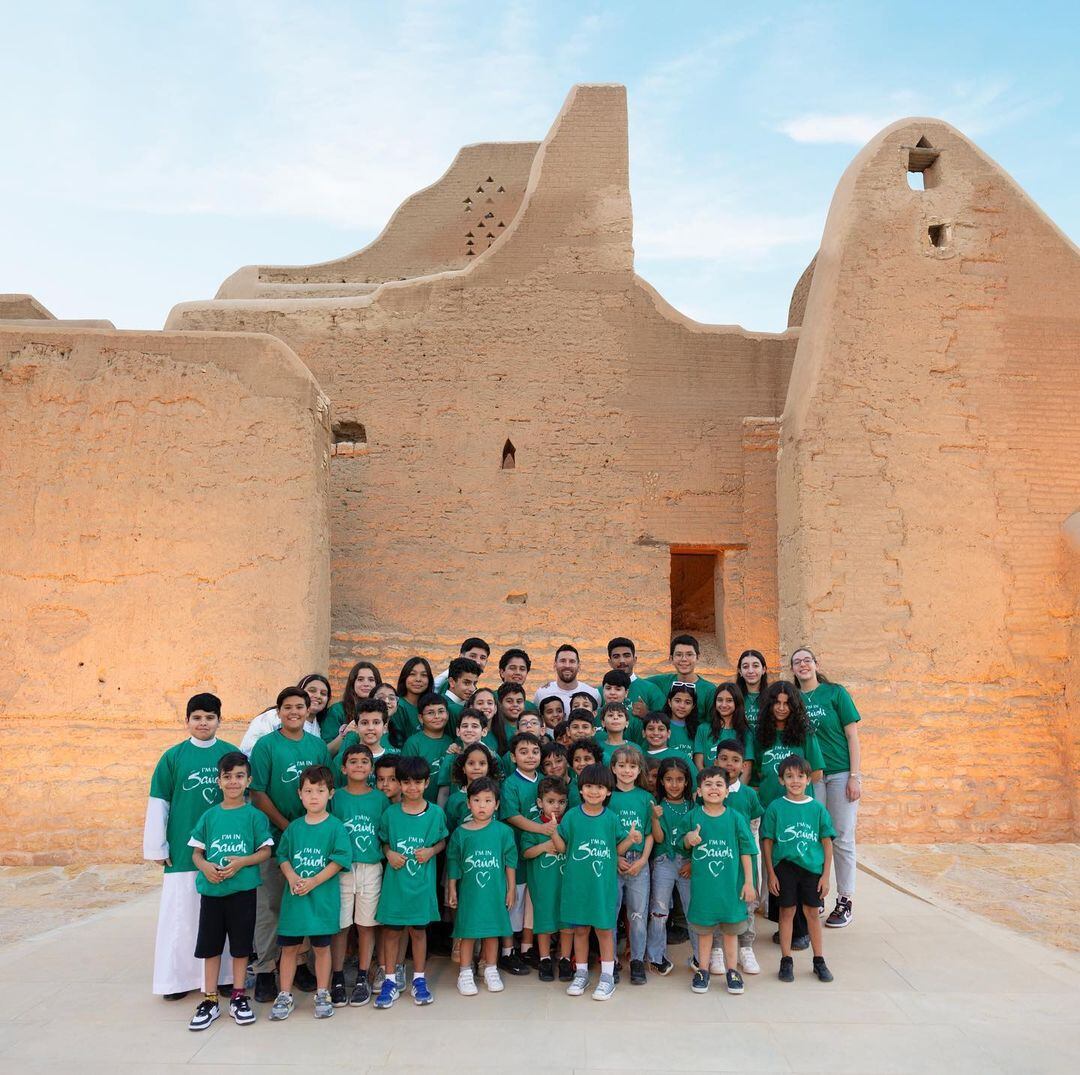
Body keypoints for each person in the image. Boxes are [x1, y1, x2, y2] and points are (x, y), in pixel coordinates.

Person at [144, 692, 240, 1001]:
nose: (203, 722)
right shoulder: (173, 757)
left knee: (222, 917)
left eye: (210, 717)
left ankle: (224, 977)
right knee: (182, 918)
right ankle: (177, 980)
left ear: (219, 721)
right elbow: (159, 803)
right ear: (187, 721)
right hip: (184, 851)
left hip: (225, 849)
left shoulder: (230, 753)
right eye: (197, 717)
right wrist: (157, 848)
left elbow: (243, 799)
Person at [248, 687, 333, 1002]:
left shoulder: (317, 747)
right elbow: (257, 793)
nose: (294, 712)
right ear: (278, 712)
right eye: (287, 707)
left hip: (312, 841)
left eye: (300, 706)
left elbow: (326, 790)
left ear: (308, 709)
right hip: (275, 838)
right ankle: (266, 969)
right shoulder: (266, 747)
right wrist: (288, 827)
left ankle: (302, 964)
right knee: (271, 905)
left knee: (306, 901)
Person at [186, 750, 273, 1030]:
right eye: (227, 777)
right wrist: (205, 867)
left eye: (239, 776)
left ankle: (238, 996)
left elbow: (265, 851)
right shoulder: (209, 816)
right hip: (212, 892)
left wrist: (242, 863)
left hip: (242, 890)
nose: (233, 782)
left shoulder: (254, 816)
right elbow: (196, 853)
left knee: (240, 946)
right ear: (219, 781)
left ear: (248, 780)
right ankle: (210, 998)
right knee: (211, 946)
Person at [551, 763, 641, 1001]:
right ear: (580, 789)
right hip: (577, 885)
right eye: (589, 786)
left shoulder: (611, 819)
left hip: (603, 887)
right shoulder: (571, 816)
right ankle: (581, 973)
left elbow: (615, 850)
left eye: (599, 787)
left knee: (604, 930)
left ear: (608, 791)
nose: (593, 791)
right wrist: (552, 832)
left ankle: (607, 977)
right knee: (580, 929)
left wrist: (630, 840)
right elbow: (562, 848)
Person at [269, 765, 351, 1021]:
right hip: (295, 901)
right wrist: (293, 877)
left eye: (320, 790)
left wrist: (314, 880)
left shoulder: (335, 827)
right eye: (308, 790)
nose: (314, 796)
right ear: (300, 794)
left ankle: (323, 992)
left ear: (331, 793)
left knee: (321, 948)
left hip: (322, 901)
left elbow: (339, 860)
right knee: (290, 948)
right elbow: (282, 856)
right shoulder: (294, 828)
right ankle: (284, 994)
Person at [791, 647, 862, 929]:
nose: (803, 665)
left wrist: (855, 776)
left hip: (841, 772)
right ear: (793, 669)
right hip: (812, 777)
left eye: (807, 660)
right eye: (797, 662)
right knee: (815, 836)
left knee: (842, 837)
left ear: (816, 664)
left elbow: (852, 735)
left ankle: (845, 900)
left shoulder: (835, 693)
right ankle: (817, 893)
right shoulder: (794, 698)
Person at [752, 680, 824, 950]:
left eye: (786, 703)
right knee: (777, 865)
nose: (781, 708)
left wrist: (797, 794)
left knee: (803, 862)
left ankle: (801, 930)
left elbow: (815, 772)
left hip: (800, 810)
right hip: (772, 809)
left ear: (794, 706)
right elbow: (756, 772)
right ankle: (782, 922)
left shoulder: (805, 734)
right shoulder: (761, 735)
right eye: (776, 702)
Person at [373, 756, 448, 1009]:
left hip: (421, 887)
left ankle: (419, 979)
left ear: (427, 782)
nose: (412, 788)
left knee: (418, 932)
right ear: (399, 784)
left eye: (418, 782)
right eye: (406, 782)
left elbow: (442, 842)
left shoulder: (436, 813)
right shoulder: (391, 814)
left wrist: (431, 851)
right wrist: (388, 853)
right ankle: (391, 980)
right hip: (396, 886)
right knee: (392, 932)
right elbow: (383, 841)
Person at [679, 767, 756, 996]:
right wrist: (689, 839)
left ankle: (732, 971)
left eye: (719, 784)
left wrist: (749, 882)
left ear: (726, 791)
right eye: (708, 784)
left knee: (731, 931)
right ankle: (703, 970)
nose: (714, 788)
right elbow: (681, 842)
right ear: (699, 791)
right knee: (705, 932)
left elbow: (746, 850)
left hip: (730, 887)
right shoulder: (693, 817)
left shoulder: (736, 818)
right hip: (704, 888)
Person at [762, 755, 836, 984]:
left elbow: (826, 842)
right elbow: (767, 841)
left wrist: (825, 875)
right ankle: (786, 960)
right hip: (785, 866)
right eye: (789, 776)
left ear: (808, 779)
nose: (795, 780)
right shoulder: (776, 807)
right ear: (781, 780)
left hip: (812, 868)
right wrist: (771, 873)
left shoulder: (817, 808)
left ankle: (819, 960)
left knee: (812, 912)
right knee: (787, 912)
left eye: (800, 776)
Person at [328, 743, 388, 1008]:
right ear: (343, 767)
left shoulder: (380, 799)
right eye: (353, 761)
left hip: (371, 866)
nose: (359, 766)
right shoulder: (336, 798)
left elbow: (385, 834)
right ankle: (338, 976)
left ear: (371, 767)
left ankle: (363, 975)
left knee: (366, 924)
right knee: (341, 926)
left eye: (365, 761)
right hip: (341, 868)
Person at [447, 776, 518, 995]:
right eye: (476, 800)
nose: (482, 805)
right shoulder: (461, 833)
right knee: (467, 933)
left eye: (488, 801)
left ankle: (490, 969)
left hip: (494, 893)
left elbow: (510, 862)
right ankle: (465, 972)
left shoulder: (503, 832)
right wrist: (451, 888)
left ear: (496, 804)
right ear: (468, 803)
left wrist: (511, 889)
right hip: (470, 894)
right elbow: (454, 862)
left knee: (492, 932)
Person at [497, 731, 546, 975]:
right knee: (513, 902)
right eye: (523, 752)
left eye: (535, 751)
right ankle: (507, 951)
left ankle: (526, 948)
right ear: (513, 757)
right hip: (515, 854)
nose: (530, 756)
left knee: (532, 904)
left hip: (539, 856)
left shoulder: (544, 780)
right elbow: (512, 816)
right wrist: (541, 828)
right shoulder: (510, 784)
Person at [714, 739, 764, 976]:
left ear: (744, 766)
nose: (729, 764)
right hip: (715, 859)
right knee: (715, 901)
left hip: (743, 861)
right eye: (724, 758)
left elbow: (754, 825)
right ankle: (715, 949)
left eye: (735, 760)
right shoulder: (707, 791)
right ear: (715, 761)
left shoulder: (747, 795)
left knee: (747, 903)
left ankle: (746, 947)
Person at [609, 745, 654, 986]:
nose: (627, 770)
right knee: (612, 912)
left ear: (639, 771)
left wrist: (644, 860)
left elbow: (648, 834)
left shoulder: (646, 798)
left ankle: (637, 960)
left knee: (637, 913)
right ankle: (612, 960)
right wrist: (615, 857)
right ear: (613, 768)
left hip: (639, 862)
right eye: (622, 765)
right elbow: (603, 832)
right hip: (613, 860)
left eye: (632, 766)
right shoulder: (608, 796)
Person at [645, 756, 695, 976]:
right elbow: (658, 838)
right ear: (661, 782)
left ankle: (700, 955)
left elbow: (700, 836)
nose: (674, 784)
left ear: (686, 782)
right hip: (664, 861)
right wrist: (655, 818)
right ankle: (656, 956)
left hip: (687, 863)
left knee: (693, 908)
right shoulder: (658, 806)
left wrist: (693, 861)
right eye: (668, 779)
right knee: (659, 910)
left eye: (679, 779)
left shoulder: (693, 806)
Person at [520, 776, 571, 982]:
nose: (556, 806)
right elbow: (525, 853)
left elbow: (564, 848)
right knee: (544, 923)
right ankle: (545, 959)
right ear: (540, 803)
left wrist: (555, 834)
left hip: (566, 885)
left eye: (561, 802)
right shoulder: (533, 826)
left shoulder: (568, 824)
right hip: (542, 886)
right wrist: (543, 846)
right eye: (551, 801)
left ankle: (566, 959)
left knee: (567, 923)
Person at [239, 674, 330, 756]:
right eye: (312, 690)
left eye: (323, 693)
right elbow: (249, 750)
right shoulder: (271, 718)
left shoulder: (317, 726)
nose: (318, 696)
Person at [647, 635, 717, 724]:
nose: (684, 659)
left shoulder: (709, 690)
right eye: (679, 654)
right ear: (671, 658)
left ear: (698, 657)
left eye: (689, 654)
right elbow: (637, 684)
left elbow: (711, 726)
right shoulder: (659, 682)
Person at [401, 693, 454, 803]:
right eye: (430, 713)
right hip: (419, 804)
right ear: (421, 718)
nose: (437, 716)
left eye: (441, 711)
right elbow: (406, 776)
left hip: (446, 804)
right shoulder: (413, 743)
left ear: (447, 714)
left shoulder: (451, 743)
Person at [323, 662, 382, 755]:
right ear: (352, 683)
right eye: (360, 679)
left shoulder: (383, 711)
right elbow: (326, 752)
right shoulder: (337, 710)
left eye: (371, 680)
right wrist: (344, 734)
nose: (366, 684)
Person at [693, 682, 752, 774]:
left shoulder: (746, 732)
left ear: (737, 702)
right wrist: (709, 784)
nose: (723, 705)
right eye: (720, 700)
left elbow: (747, 770)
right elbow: (699, 764)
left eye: (729, 700)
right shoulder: (703, 729)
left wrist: (736, 789)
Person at [606, 637, 666, 718]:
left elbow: (666, 722)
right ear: (610, 662)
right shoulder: (601, 692)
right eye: (616, 657)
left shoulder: (651, 690)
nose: (622, 661)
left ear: (634, 660)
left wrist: (647, 714)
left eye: (626, 656)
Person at [334, 697, 391, 780]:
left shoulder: (393, 759)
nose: (370, 728)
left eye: (376, 722)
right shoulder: (341, 759)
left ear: (385, 728)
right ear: (356, 727)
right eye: (364, 723)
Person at [532, 644, 599, 713]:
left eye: (572, 661)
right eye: (563, 661)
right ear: (555, 665)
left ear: (579, 666)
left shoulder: (592, 693)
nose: (567, 665)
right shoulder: (542, 693)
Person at [445, 742, 497, 831]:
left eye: (482, 763)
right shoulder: (454, 800)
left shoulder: (495, 795)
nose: (477, 767)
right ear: (463, 768)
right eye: (471, 763)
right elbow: (450, 832)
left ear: (488, 768)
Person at [642, 711, 696, 788]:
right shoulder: (639, 756)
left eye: (661, 729)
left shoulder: (680, 756)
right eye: (651, 729)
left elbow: (694, 785)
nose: (656, 733)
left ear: (668, 733)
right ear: (643, 733)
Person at [392, 656, 436, 748]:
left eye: (424, 675)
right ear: (404, 678)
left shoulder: (432, 707)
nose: (418, 679)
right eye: (412, 674)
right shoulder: (398, 706)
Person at [599, 670, 645, 744]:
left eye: (618, 689)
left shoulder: (634, 720)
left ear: (626, 693)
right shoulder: (594, 715)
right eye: (608, 688)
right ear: (603, 690)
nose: (612, 693)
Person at [661, 683, 699, 765]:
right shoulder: (661, 726)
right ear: (669, 702)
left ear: (693, 706)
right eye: (677, 701)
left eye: (688, 702)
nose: (682, 706)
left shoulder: (697, 730)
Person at [735, 649, 769, 734]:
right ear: (740, 671)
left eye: (756, 666)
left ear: (763, 670)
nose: (750, 671)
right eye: (745, 666)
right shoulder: (733, 697)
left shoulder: (772, 697)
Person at [443, 656, 482, 724]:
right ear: (452, 682)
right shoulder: (443, 706)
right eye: (466, 683)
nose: (472, 689)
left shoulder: (468, 705)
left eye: (475, 683)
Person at [565, 738, 601, 808]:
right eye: (577, 760)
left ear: (597, 761)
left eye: (587, 759)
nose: (582, 763)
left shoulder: (603, 786)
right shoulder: (568, 789)